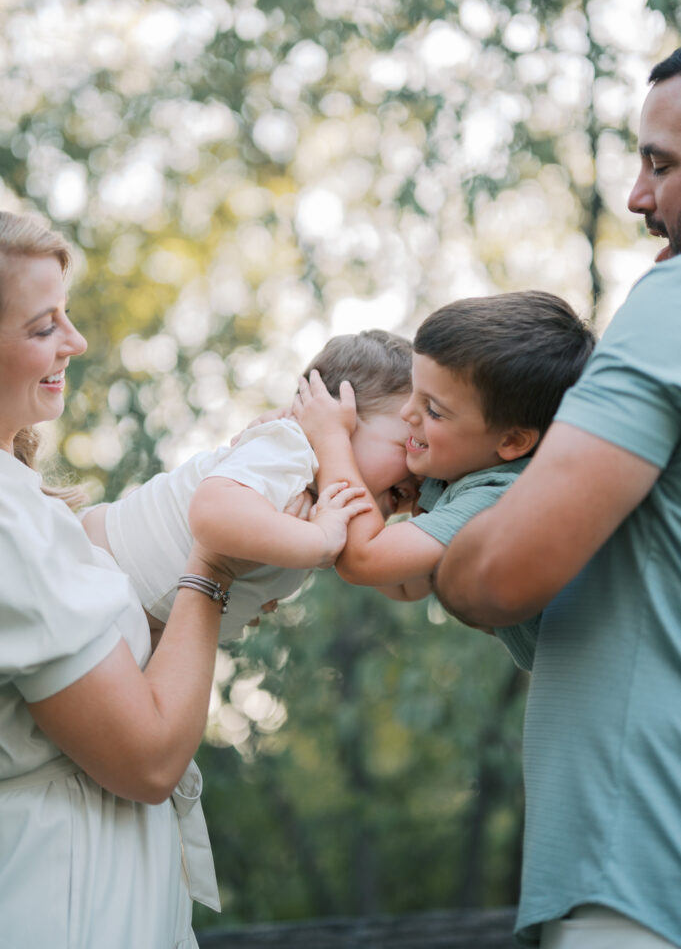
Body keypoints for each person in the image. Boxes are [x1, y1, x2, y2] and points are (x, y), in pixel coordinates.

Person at [432, 48, 681, 948]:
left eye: (662, 165)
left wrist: (449, 518)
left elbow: (499, 574)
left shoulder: (669, 306)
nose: (637, 196)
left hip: (639, 867)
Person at [0, 210, 252, 949]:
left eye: (66, 314)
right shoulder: (6, 524)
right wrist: (211, 568)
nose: (75, 341)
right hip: (61, 898)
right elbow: (148, 758)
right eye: (43, 326)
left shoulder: (24, 501)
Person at [293, 291, 594, 671]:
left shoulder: (500, 496)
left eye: (432, 409)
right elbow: (406, 584)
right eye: (414, 394)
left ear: (512, 442)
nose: (408, 413)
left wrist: (330, 440)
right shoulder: (458, 476)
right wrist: (290, 436)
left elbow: (364, 558)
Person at [81, 330, 419, 644]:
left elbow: (404, 580)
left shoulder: (330, 511)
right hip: (92, 567)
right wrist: (319, 539)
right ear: (335, 416)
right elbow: (211, 513)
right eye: (411, 443)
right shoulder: (292, 447)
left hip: (129, 623)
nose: (419, 470)